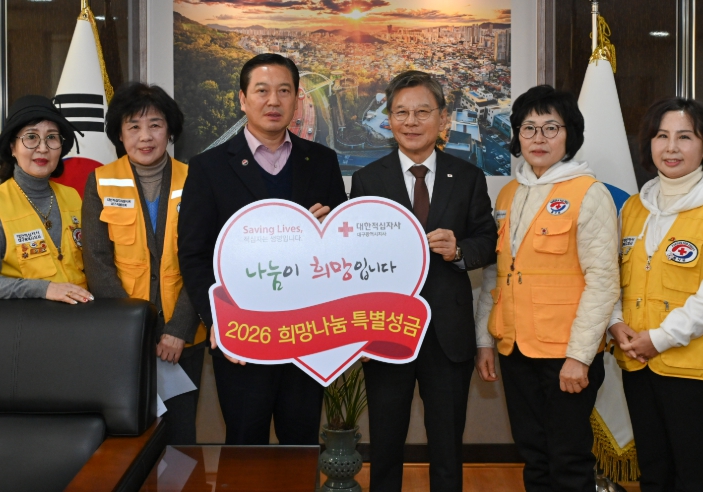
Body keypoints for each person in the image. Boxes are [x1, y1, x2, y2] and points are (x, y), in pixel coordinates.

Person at [178, 53, 347, 445]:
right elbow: (194, 254)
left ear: (297, 99)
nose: (273, 101)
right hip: (242, 333)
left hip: (308, 331)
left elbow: (341, 250)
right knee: (245, 444)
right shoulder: (208, 167)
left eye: (284, 91)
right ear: (242, 99)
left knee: (300, 443)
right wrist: (217, 319)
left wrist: (328, 231)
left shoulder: (322, 162)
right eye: (262, 91)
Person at [350, 70, 497, 492]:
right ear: (389, 119)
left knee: (447, 447)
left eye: (422, 112)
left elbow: (487, 241)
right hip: (387, 332)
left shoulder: (467, 177)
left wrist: (459, 250)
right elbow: (354, 257)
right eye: (401, 113)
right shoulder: (368, 180)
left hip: (447, 334)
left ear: (442, 118)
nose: (411, 122)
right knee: (385, 443)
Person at [474, 85, 620, 491]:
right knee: (533, 455)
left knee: (569, 461)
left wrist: (579, 357)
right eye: (529, 127)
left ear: (570, 134)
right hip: (515, 349)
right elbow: (496, 275)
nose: (539, 138)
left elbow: (603, 282)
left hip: (566, 354)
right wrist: (484, 339)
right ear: (517, 135)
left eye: (551, 127)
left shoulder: (589, 193)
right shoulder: (509, 193)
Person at [81, 83, 206, 445]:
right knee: (128, 437)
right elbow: (97, 261)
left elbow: (202, 258)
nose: (145, 136)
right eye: (133, 126)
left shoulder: (195, 179)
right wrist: (136, 329)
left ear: (170, 130)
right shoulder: (100, 181)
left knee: (181, 436)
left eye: (155, 125)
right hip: (124, 336)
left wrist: (178, 329)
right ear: (119, 135)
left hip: (183, 338)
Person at [608, 97, 703, 491]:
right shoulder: (634, 207)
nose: (671, 147)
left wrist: (660, 339)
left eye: (685, 137)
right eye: (662, 136)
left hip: (691, 369)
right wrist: (615, 323)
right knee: (654, 471)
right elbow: (612, 276)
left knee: (693, 475)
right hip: (637, 364)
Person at [0, 95, 92, 303]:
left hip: (83, 318)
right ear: (12, 147)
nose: (43, 148)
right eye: (31, 137)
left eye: (51, 137)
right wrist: (43, 289)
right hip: (27, 319)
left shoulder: (73, 197)